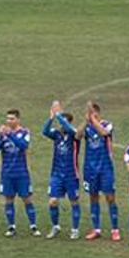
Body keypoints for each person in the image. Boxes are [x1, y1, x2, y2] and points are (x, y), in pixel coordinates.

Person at [41, 102, 81, 239]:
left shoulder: (74, 135)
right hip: (57, 174)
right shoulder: (57, 134)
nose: (61, 126)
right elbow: (45, 131)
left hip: (71, 174)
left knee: (74, 201)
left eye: (63, 122)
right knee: (52, 201)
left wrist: (59, 115)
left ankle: (75, 229)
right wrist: (51, 118)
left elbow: (69, 129)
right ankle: (55, 226)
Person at [81, 101, 120, 241]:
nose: (92, 116)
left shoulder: (107, 124)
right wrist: (86, 123)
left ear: (98, 113)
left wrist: (92, 120)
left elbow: (104, 133)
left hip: (105, 168)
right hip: (90, 168)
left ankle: (115, 229)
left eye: (94, 114)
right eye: (91, 114)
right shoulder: (88, 127)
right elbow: (77, 136)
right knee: (93, 197)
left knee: (110, 197)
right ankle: (96, 229)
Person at [0, 109, 38, 236]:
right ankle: (11, 227)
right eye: (8, 118)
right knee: (8, 200)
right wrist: (0, 137)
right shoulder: (2, 134)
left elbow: (23, 145)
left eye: (12, 119)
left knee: (27, 199)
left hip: (22, 173)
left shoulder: (25, 132)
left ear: (18, 119)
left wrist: (9, 135)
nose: (9, 121)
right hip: (7, 174)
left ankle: (33, 226)